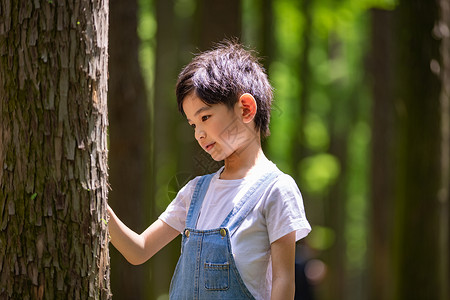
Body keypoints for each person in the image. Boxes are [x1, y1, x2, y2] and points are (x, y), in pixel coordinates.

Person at [107, 40, 311, 299]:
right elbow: (139, 251)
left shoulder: (276, 190)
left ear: (246, 109)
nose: (199, 134)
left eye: (205, 117)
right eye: (193, 124)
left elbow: (283, 281)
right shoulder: (195, 193)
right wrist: (98, 207)